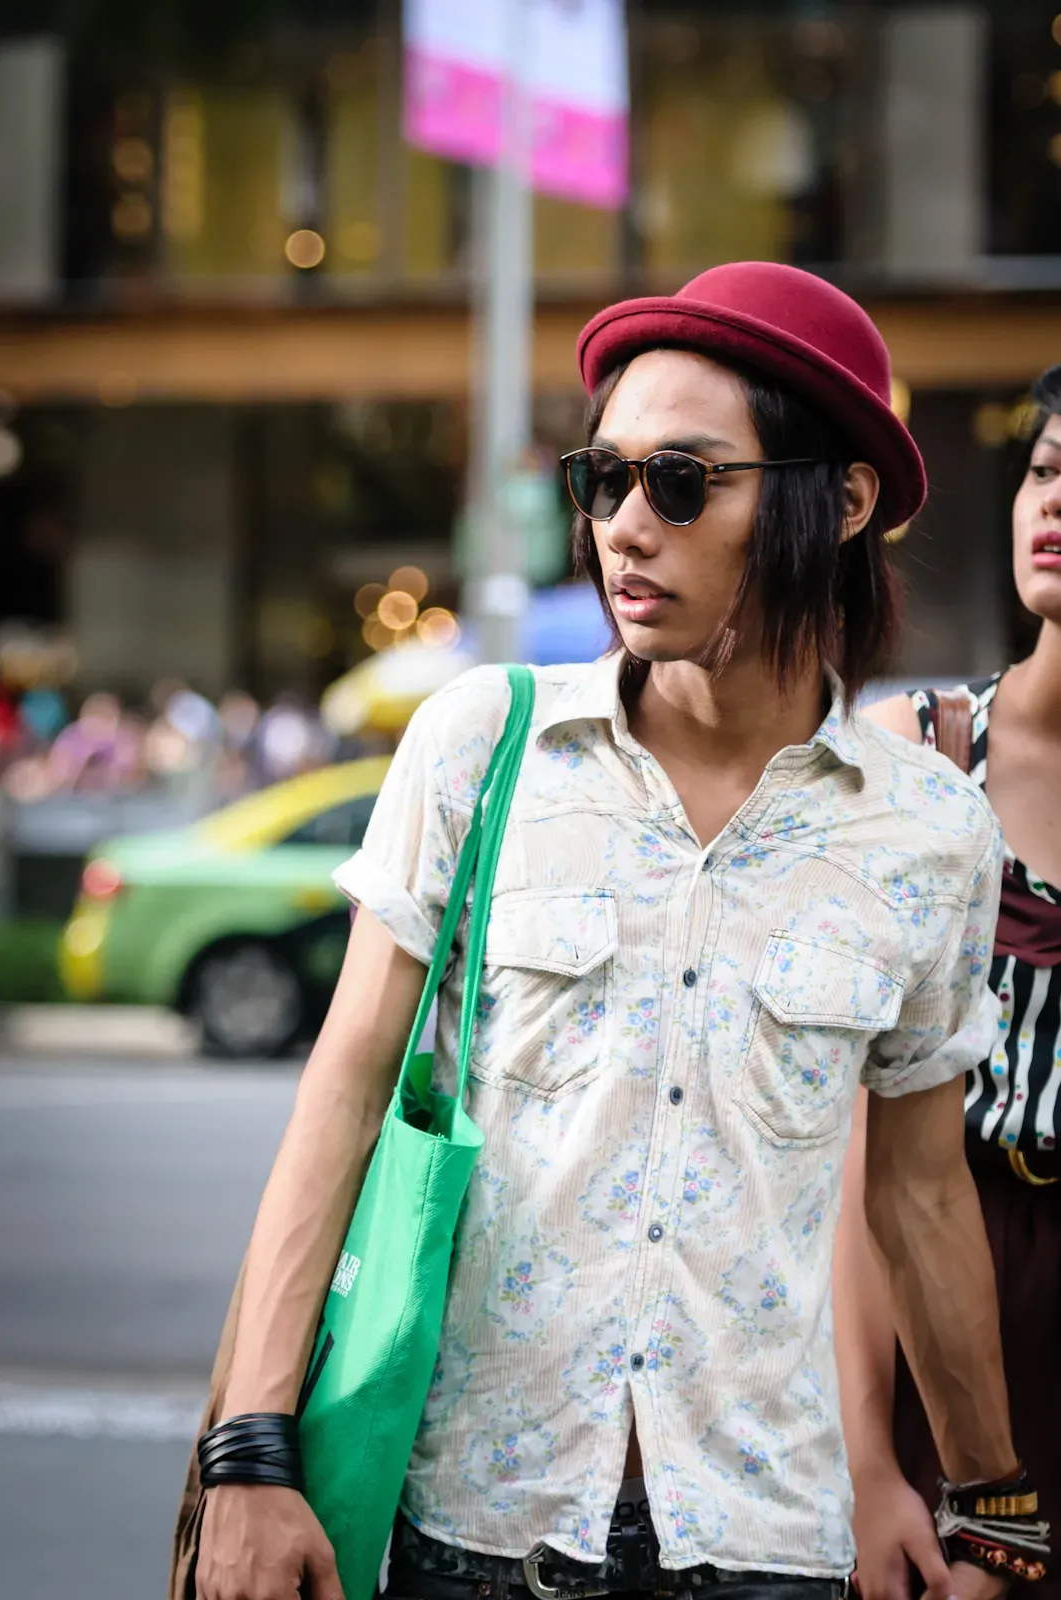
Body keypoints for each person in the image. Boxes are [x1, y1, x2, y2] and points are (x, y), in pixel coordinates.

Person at [183, 264, 1033, 1600]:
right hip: (475, 1532)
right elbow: (342, 1094)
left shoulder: (926, 831)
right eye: (603, 480)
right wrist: (250, 1451)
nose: (625, 528)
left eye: (681, 482)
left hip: (767, 1548)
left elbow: (918, 1193)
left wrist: (997, 1504)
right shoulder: (482, 745)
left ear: (841, 501)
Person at [835, 365, 1061, 1600]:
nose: (1052, 501)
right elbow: (873, 1170)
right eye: (1043, 470)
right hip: (943, 1288)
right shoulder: (917, 758)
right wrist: (869, 1466)